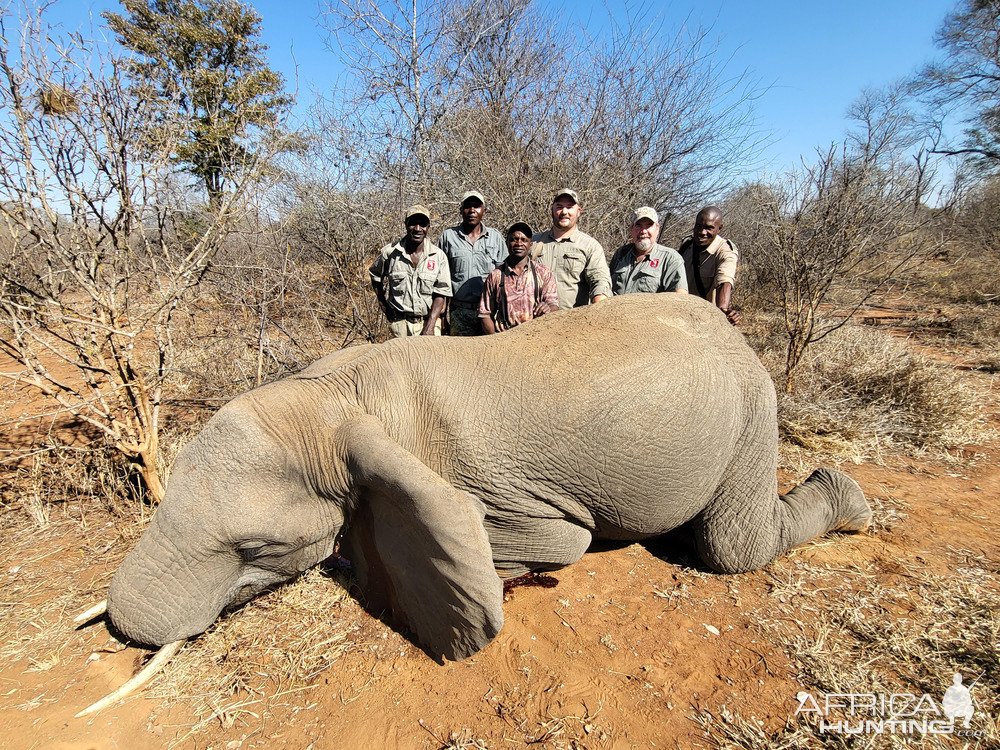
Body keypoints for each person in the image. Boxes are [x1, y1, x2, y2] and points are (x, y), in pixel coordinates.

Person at [369, 204, 452, 337]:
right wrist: (384, 306)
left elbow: (441, 293)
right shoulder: (390, 253)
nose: (418, 229)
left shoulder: (438, 256)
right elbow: (374, 276)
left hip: (428, 322)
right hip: (400, 324)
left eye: (422, 224)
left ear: (428, 227)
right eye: (413, 223)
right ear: (406, 224)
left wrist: (430, 326)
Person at [438, 190, 506, 336]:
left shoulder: (495, 237)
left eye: (477, 206)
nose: (472, 210)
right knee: (460, 355)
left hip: (489, 311)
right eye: (468, 206)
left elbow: (505, 276)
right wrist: (442, 317)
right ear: (461, 210)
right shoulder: (448, 237)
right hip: (459, 311)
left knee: (490, 354)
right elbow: (441, 279)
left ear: (484, 210)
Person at [532, 189, 612, 309]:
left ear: (579, 211)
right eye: (559, 206)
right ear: (552, 209)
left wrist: (600, 310)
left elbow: (600, 281)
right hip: (534, 321)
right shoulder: (532, 242)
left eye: (570, 207)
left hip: (572, 323)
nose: (564, 212)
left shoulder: (590, 246)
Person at [480, 222, 559, 334]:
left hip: (536, 338)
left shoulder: (543, 272)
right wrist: (494, 342)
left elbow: (554, 305)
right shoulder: (495, 275)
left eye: (524, 240)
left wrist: (548, 308)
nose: (519, 243)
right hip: (504, 339)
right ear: (507, 243)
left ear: (530, 244)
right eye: (514, 239)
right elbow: (485, 314)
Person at [678, 205, 741, 324]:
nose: (702, 232)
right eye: (698, 226)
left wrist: (723, 310)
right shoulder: (686, 246)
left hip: (706, 317)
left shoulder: (725, 251)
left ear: (719, 228)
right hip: (683, 314)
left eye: (709, 228)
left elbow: (725, 282)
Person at [610, 207, 688, 295]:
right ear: (631, 229)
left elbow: (680, 298)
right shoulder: (621, 253)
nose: (643, 231)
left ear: (657, 229)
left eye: (649, 225)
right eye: (638, 225)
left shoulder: (671, 258)